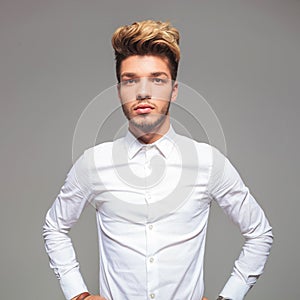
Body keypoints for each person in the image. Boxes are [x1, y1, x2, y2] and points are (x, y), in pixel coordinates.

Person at [43, 20, 273, 300]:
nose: (143, 92)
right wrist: (77, 295)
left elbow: (259, 233)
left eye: (157, 79)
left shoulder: (207, 162)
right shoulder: (93, 163)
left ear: (174, 90)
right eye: (130, 80)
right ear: (119, 91)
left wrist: (229, 296)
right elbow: (55, 227)